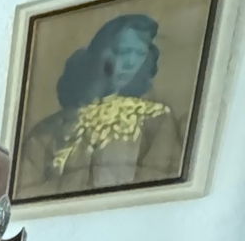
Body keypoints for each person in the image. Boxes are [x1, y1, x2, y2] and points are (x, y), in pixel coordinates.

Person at [16, 11, 185, 197]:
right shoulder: (48, 130)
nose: (130, 62)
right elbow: (24, 194)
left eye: (140, 53)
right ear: (98, 54)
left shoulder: (156, 119)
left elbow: (160, 184)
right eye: (122, 51)